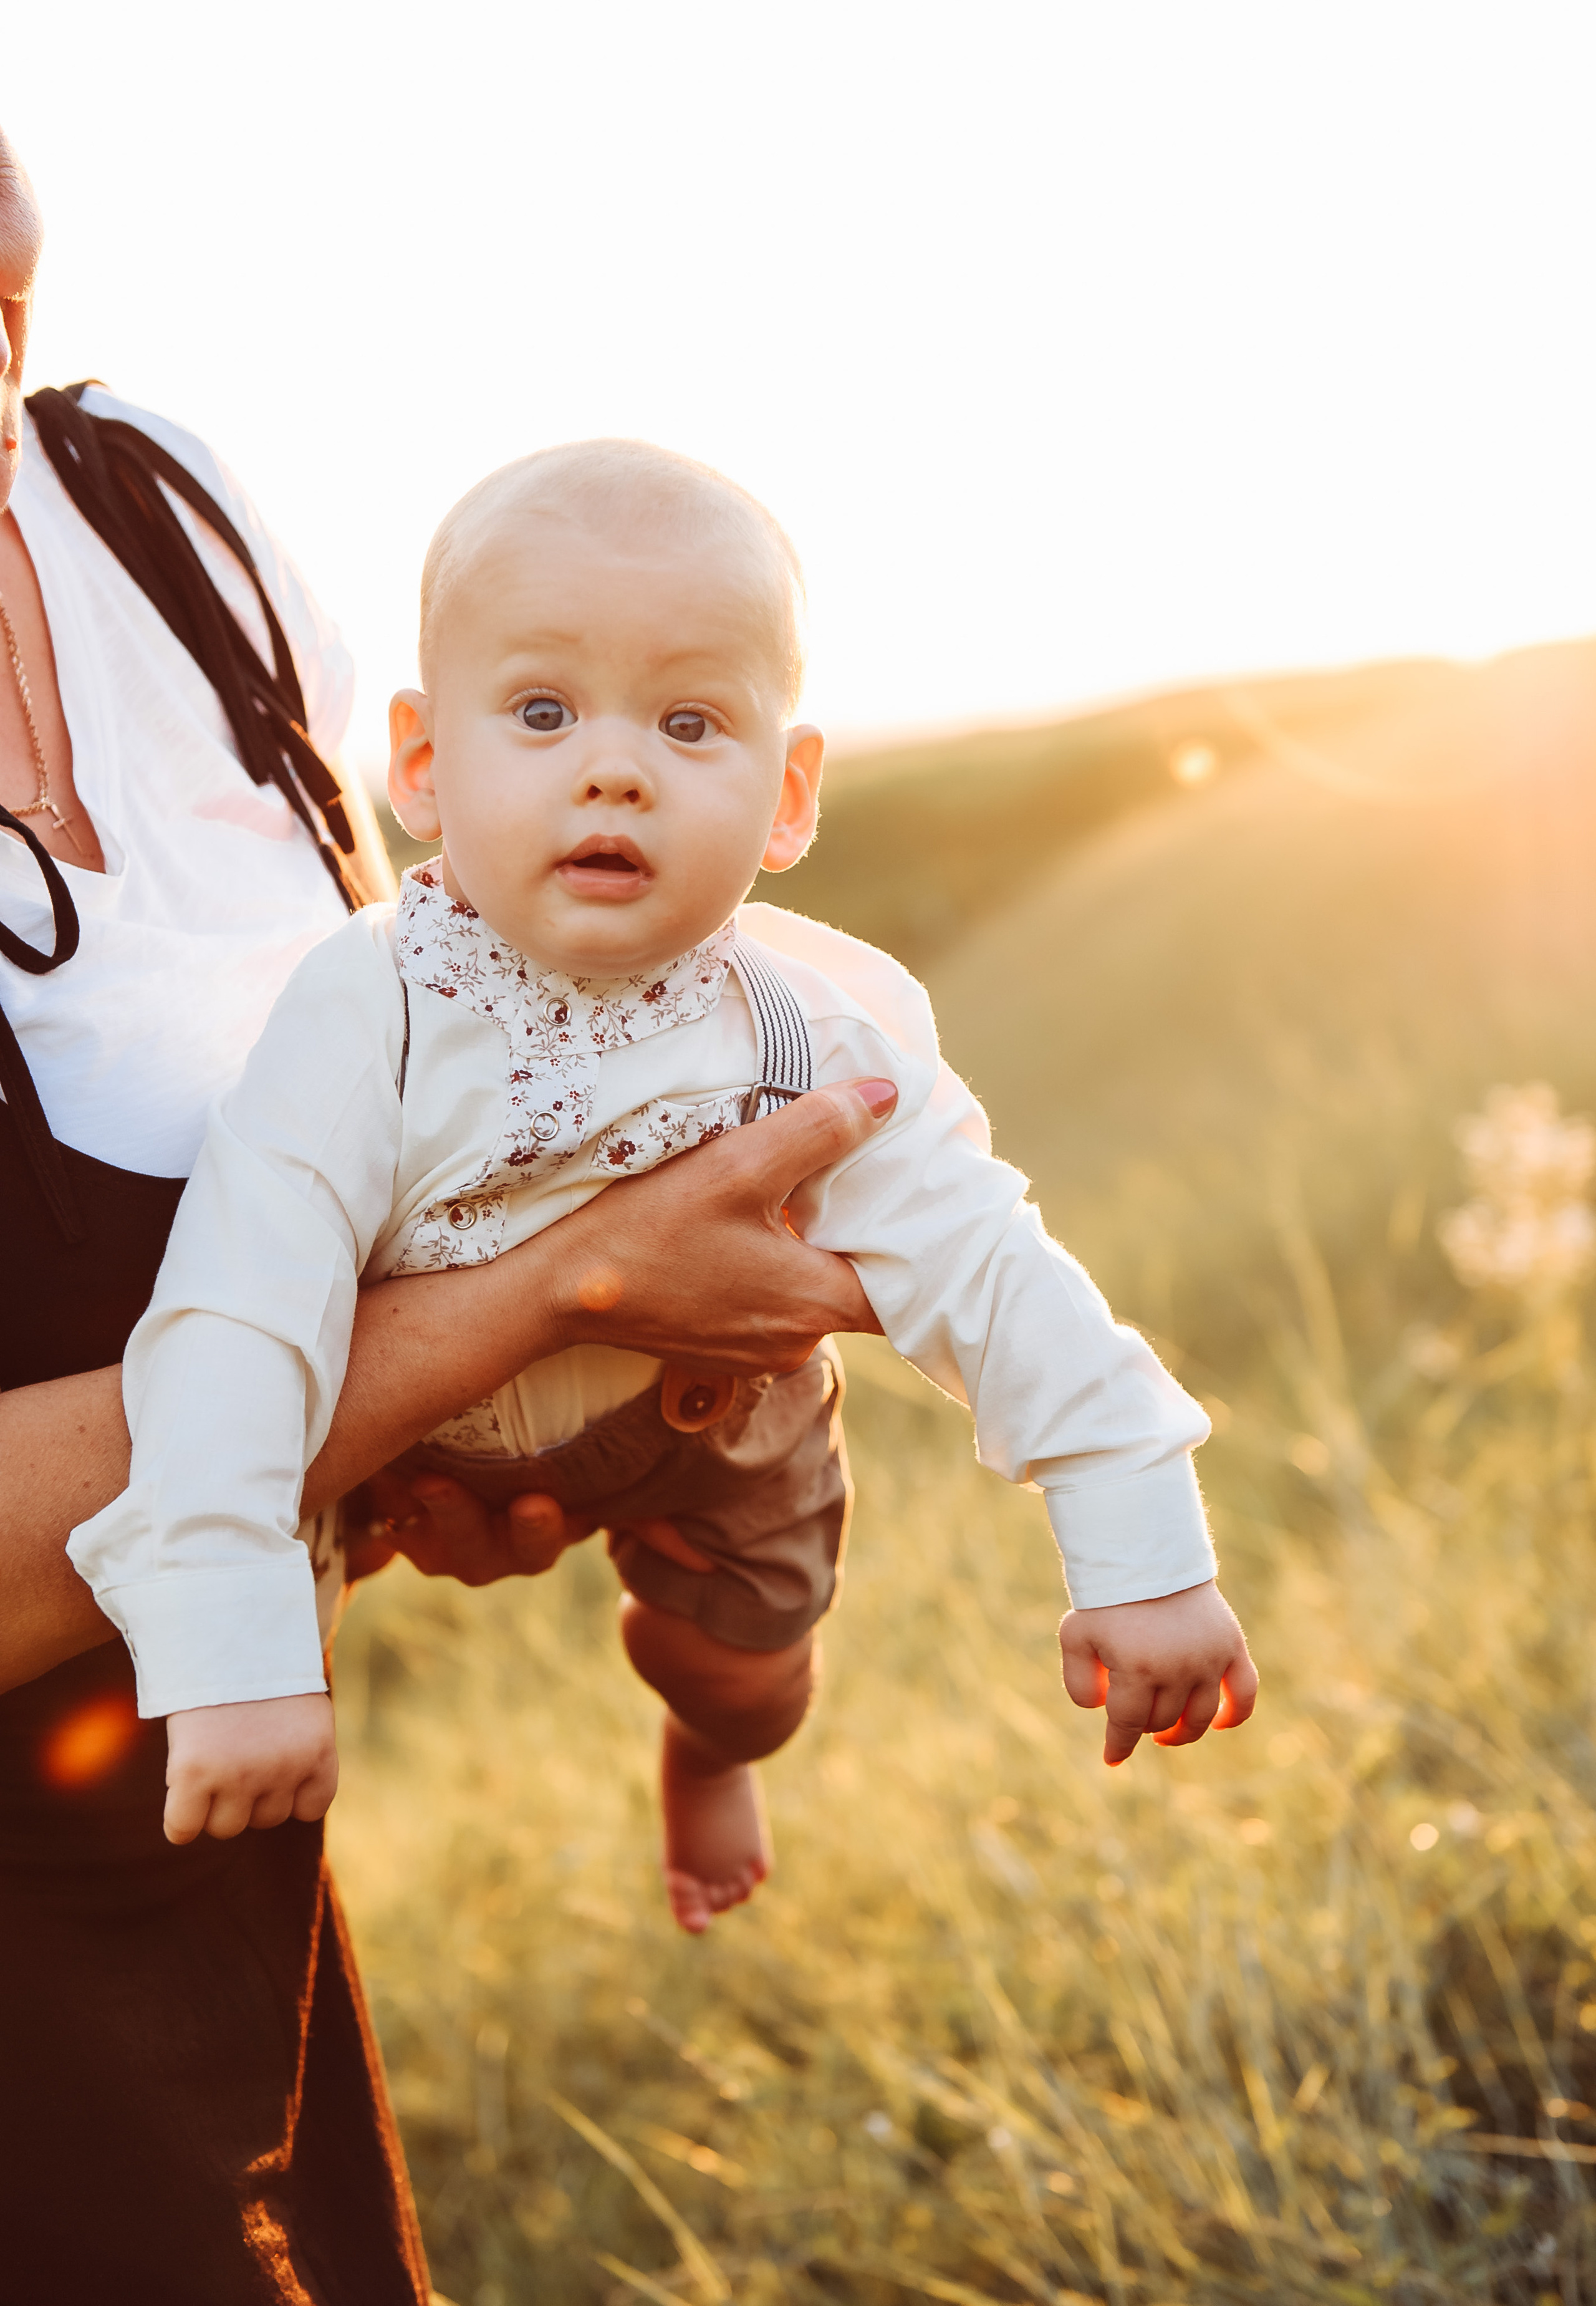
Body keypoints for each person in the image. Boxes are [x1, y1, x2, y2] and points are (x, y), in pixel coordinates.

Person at [0, 130, 887, 2303]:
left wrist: (450, 1445)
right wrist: (544, 1301)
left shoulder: (153, 512)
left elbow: (410, 1070)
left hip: (234, 1857)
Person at [70, 439, 1260, 1948]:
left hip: (717, 1416)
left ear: (788, 793)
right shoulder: (361, 1020)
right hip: (410, 1421)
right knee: (247, 1624)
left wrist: (1140, 1551)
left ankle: (709, 1752)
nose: (613, 768)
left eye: (689, 722)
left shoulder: (808, 1034)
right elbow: (241, 1310)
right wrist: (235, 1653)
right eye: (542, 712)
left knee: (747, 1674)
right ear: (421, 764)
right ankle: (231, 1720)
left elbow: (992, 1271)